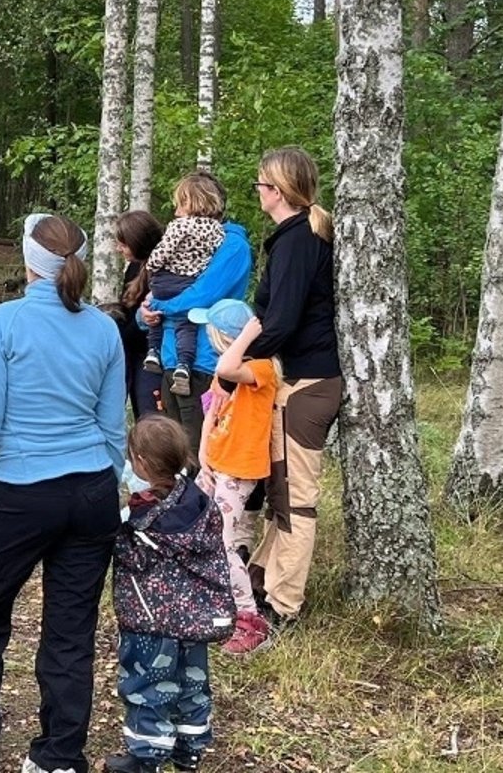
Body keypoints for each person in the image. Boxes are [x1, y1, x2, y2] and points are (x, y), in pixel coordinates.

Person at [0, 214, 131, 773]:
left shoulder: (4, 322)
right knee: (71, 629)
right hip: (91, 495)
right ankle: (60, 758)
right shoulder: (104, 329)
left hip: (21, 495)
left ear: (29, 261)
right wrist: (111, 493)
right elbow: (112, 428)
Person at [103, 416, 236, 773]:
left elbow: (127, 554)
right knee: (193, 682)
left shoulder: (144, 522)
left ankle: (146, 755)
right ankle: (190, 748)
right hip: (195, 618)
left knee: (148, 686)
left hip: (152, 620)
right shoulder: (196, 502)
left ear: (141, 462)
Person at [243, 147, 341, 631]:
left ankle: (284, 605)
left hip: (309, 381)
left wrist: (237, 363)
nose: (257, 193)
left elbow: (281, 319)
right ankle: (262, 578)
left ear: (277, 191)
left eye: (259, 185)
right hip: (298, 378)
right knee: (279, 490)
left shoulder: (300, 240)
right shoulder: (295, 237)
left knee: (297, 496)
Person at [136, 173, 252, 458]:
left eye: (182, 204)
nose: (176, 212)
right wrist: (145, 312)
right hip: (170, 357)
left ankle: (203, 503)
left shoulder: (233, 245)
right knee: (174, 450)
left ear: (202, 204)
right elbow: (161, 285)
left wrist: (159, 305)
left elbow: (203, 294)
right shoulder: (185, 240)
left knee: (199, 452)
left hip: (206, 361)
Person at [192, 299, 275, 655]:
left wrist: (246, 337)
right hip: (218, 464)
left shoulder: (261, 369)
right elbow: (211, 408)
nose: (207, 340)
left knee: (223, 543)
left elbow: (229, 364)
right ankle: (213, 603)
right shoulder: (225, 372)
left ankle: (250, 620)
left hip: (240, 469)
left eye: (211, 333)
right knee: (200, 531)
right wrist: (203, 454)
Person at [140, 179, 228, 397]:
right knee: (186, 324)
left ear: (190, 202)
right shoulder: (218, 231)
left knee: (155, 310)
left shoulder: (179, 226)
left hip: (167, 279)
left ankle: (153, 350)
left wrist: (151, 266)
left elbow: (164, 250)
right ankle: (184, 365)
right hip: (190, 281)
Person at [111, 210, 166, 422]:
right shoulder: (135, 267)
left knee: (150, 418)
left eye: (123, 245)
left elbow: (149, 321)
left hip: (151, 359)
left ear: (138, 242)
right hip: (133, 354)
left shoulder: (161, 270)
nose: (119, 249)